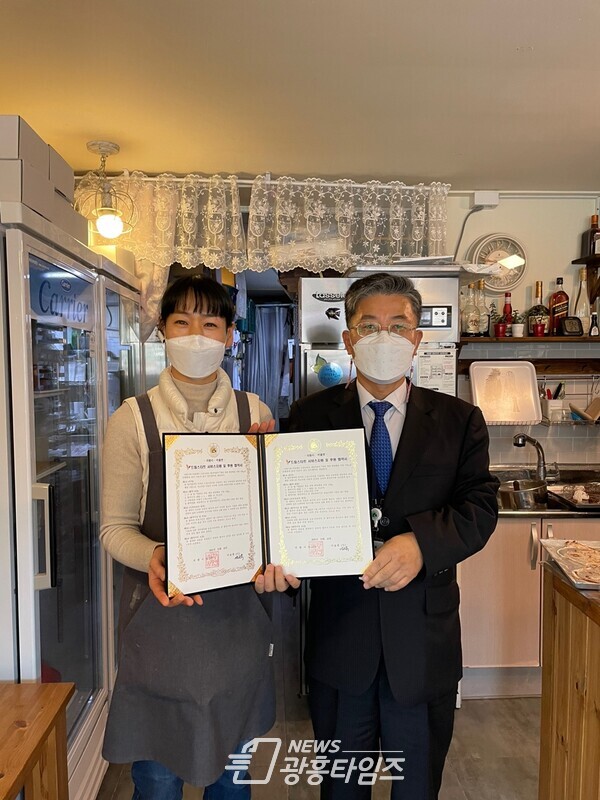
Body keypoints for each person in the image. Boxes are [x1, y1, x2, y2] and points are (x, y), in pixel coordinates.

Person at [288, 272, 499, 800]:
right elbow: (288, 514)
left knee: (417, 788)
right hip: (341, 642)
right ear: (349, 339)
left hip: (422, 647)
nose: (385, 336)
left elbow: (479, 506)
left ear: (418, 338)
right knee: (342, 789)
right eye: (370, 325)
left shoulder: (459, 419)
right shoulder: (309, 417)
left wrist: (420, 544)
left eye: (398, 325)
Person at [101, 275, 299, 800]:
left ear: (230, 335)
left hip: (237, 625)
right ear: (162, 330)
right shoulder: (132, 419)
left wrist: (272, 476)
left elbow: (267, 519)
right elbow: (115, 530)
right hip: (161, 624)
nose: (196, 334)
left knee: (233, 778)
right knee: (159, 778)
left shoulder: (254, 413)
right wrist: (158, 555)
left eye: (210, 323)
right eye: (181, 321)